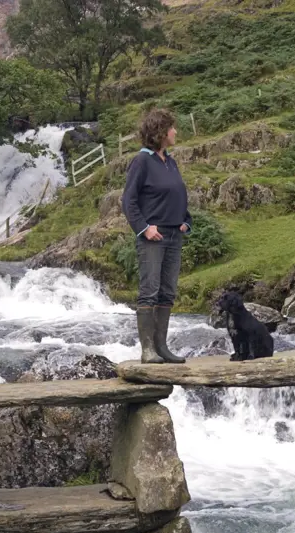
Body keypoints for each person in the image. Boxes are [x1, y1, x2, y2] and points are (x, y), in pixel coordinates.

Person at [122, 109, 191, 364]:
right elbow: (128, 201)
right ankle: (148, 350)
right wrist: (144, 227)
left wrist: (186, 220)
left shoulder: (170, 161)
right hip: (153, 237)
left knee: (168, 292)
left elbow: (177, 195)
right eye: (172, 128)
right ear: (161, 132)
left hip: (175, 235)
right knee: (149, 291)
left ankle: (162, 348)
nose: (175, 132)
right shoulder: (142, 161)